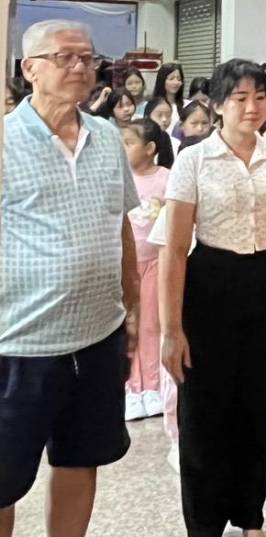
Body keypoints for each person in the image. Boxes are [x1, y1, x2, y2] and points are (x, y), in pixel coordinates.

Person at [0, 20, 139, 537]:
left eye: (88, 57)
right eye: (65, 57)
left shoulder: (106, 136)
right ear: (30, 69)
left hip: (98, 336)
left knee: (81, 459)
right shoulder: (5, 140)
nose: (81, 66)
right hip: (19, 342)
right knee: (3, 479)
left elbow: (120, 221)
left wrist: (131, 303)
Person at [160, 59, 266, 537]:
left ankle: (250, 516)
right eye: (240, 98)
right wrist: (171, 329)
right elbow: (174, 250)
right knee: (204, 414)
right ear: (218, 105)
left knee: (253, 408)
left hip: (264, 286)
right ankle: (204, 525)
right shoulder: (194, 160)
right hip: (209, 286)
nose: (252, 107)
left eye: (259, 97)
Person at [121, 119, 171, 422]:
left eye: (128, 143)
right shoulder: (120, 177)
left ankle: (152, 386)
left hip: (155, 263)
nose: (123, 149)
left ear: (150, 148)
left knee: (151, 324)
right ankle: (132, 387)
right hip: (126, 263)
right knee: (129, 324)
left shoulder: (166, 179)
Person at [153, 62, 186, 127]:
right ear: (161, 80)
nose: (176, 82)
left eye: (179, 79)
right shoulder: (152, 105)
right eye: (171, 79)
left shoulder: (187, 105)